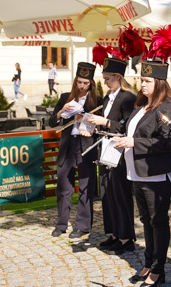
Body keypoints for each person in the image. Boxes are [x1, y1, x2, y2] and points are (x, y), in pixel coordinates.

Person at [112, 61, 171, 287]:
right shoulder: (141, 105)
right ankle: (149, 262)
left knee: (158, 222)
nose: (143, 84)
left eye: (148, 81)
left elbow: (168, 141)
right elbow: (130, 130)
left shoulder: (167, 107)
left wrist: (134, 142)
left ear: (160, 83)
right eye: (142, 80)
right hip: (136, 173)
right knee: (146, 222)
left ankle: (158, 269)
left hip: (156, 175)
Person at [87, 57, 137, 254]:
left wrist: (105, 122)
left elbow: (127, 126)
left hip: (120, 152)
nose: (105, 82)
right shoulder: (108, 97)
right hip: (105, 149)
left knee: (120, 195)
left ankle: (126, 237)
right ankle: (115, 233)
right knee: (107, 194)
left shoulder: (128, 97)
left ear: (118, 77)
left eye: (108, 79)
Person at [49, 62, 98, 239]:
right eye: (79, 82)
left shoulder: (96, 101)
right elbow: (52, 122)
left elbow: (100, 126)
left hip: (86, 146)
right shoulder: (65, 97)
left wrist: (84, 119)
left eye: (85, 83)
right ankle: (61, 224)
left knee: (86, 186)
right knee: (63, 185)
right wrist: (62, 110)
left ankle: (83, 226)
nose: (82, 86)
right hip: (68, 145)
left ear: (91, 84)